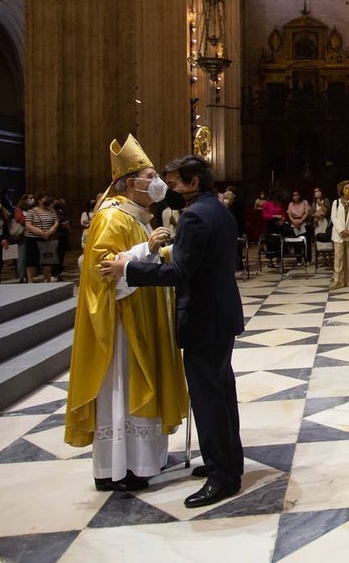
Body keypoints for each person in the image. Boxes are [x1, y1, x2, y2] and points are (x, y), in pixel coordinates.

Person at [102, 154, 245, 508]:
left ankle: (222, 477)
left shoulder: (195, 215)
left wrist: (127, 269)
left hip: (204, 320)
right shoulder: (216, 208)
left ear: (193, 182)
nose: (169, 189)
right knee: (222, 393)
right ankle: (229, 461)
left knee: (208, 400)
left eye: (174, 183)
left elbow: (180, 273)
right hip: (220, 315)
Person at [63, 135, 188, 494]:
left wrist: (161, 252)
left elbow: (143, 257)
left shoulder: (138, 215)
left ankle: (147, 459)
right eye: (150, 176)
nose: (157, 181)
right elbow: (102, 270)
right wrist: (146, 249)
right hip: (122, 324)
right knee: (124, 386)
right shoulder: (111, 217)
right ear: (131, 183)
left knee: (145, 380)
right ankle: (118, 467)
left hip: (144, 313)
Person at [330, 180, 349, 289]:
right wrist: (341, 230)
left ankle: (348, 280)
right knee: (338, 258)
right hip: (339, 234)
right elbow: (333, 217)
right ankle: (337, 280)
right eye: (346, 188)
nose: (348, 190)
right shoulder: (336, 203)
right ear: (342, 189)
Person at [24, 193, 59, 283]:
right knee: (32, 260)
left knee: (48, 259)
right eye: (45, 198)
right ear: (39, 200)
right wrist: (41, 232)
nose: (48, 200)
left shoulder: (52, 211)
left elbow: (56, 222)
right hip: (33, 238)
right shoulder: (31, 211)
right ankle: (30, 280)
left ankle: (46, 278)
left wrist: (49, 232)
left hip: (47, 238)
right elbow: (28, 225)